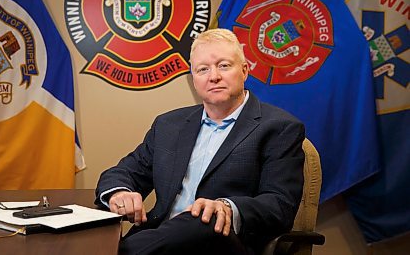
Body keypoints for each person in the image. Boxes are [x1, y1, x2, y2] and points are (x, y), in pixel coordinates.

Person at [95, 28, 305, 254]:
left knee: (205, 218)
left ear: (244, 71)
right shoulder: (169, 125)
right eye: (202, 69)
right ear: (194, 79)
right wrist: (120, 193)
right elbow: (122, 172)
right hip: (160, 239)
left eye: (224, 66)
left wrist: (226, 207)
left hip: (223, 243)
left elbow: (280, 205)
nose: (213, 76)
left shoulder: (279, 127)